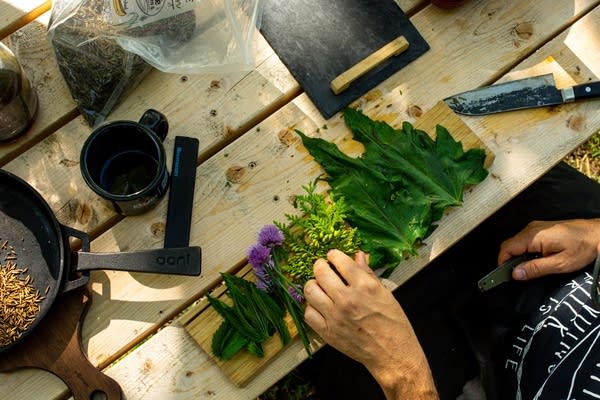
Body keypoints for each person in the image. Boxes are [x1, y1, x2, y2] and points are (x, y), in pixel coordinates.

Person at [303, 162, 600, 400]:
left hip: (488, 366)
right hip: (574, 251)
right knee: (482, 169)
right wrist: (594, 233)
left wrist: (402, 371)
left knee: (338, 337)